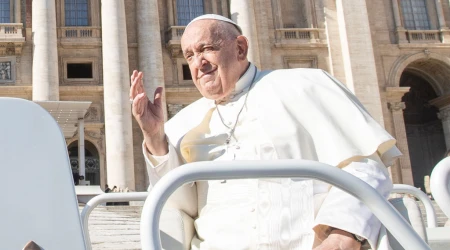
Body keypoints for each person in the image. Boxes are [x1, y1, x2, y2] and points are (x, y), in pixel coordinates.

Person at [130, 14, 401, 250]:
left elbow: (365, 167)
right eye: (190, 55)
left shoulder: (306, 85)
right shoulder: (183, 122)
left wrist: (343, 234)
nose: (199, 63)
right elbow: (182, 205)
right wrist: (155, 138)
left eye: (207, 49)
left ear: (240, 48)